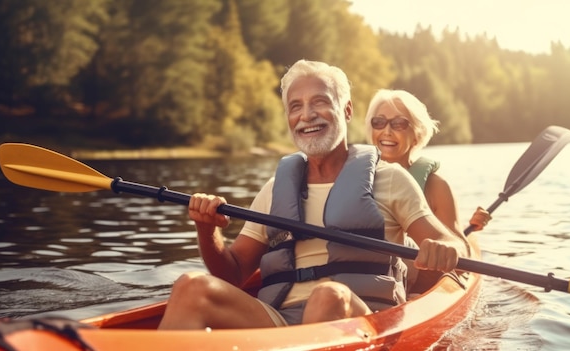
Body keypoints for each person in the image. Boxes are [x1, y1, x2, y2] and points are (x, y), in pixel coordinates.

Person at [158, 60, 473, 330]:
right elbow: (233, 272)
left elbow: (455, 246)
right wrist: (206, 229)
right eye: (296, 106)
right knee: (190, 286)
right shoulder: (274, 189)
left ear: (346, 110)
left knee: (327, 296)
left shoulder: (390, 179)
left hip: (363, 318)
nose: (306, 115)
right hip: (279, 320)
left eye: (320, 102)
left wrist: (444, 248)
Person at [363, 89, 491, 236]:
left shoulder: (437, 188)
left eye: (399, 123)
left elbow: (458, 247)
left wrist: (468, 231)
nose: (387, 131)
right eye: (379, 122)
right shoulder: (356, 177)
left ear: (417, 135)